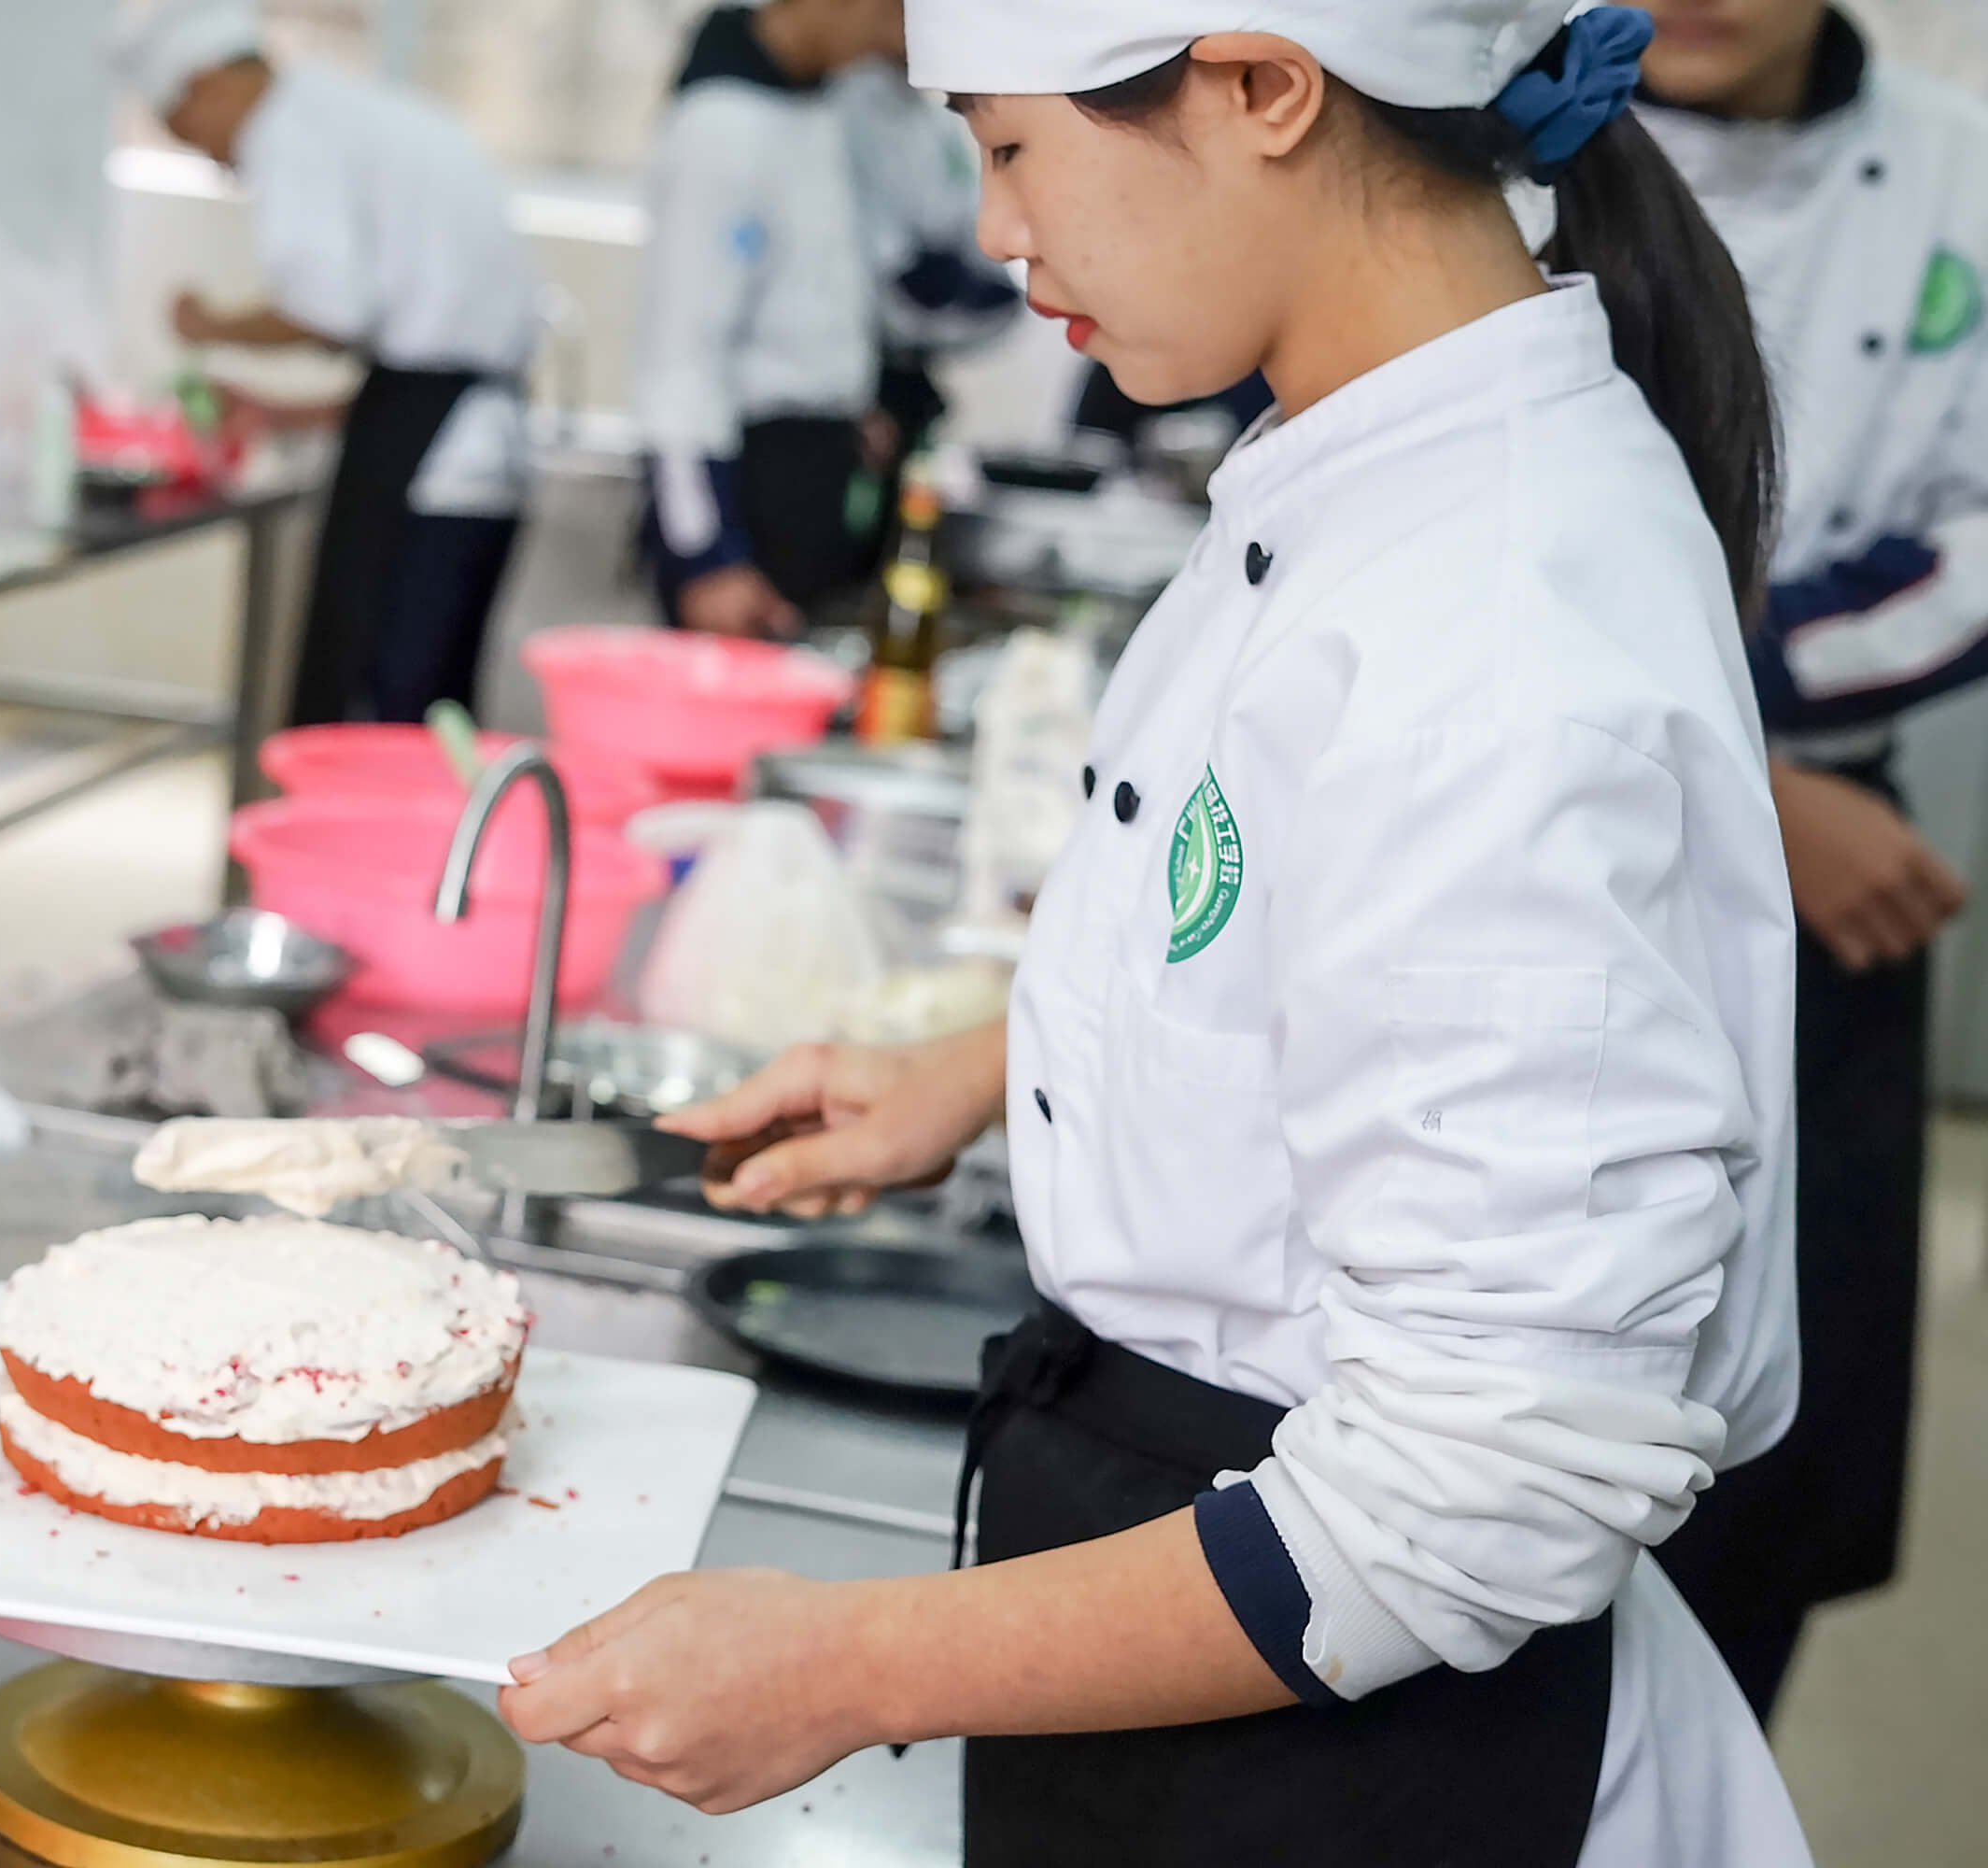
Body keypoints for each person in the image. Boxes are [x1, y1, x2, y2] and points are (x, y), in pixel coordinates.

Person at [497, 5, 1816, 1863]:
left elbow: (1484, 1481)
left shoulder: (1490, 626)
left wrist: (850, 1659)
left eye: (1015, 146)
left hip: (1354, 1744)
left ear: (1264, 85)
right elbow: (1298, 935)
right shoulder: (1352, 463)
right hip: (1210, 1639)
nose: (998, 229)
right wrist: (983, 1070)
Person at [1631, 0, 1988, 1726]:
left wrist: (1746, 728)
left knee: (1772, 1455)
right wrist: (1739, 778)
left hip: (1842, 830)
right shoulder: (1493, 129)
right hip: (1558, 813)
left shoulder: (1956, 170)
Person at [112, 0, 540, 727]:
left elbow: (332, 311)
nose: (213, 161)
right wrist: (283, 411)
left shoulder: (286, 128)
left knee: (374, 707)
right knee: (434, 710)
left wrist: (211, 325)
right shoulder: (357, 115)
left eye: (191, 133)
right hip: (475, 450)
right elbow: (415, 363)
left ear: (209, 82)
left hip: (433, 473)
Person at [636, 0, 906, 639]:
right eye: (889, 12)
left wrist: (843, 406)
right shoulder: (719, 127)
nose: (897, 36)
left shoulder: (818, 113)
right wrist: (707, 556)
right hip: (741, 490)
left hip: (818, 467)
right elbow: (679, 360)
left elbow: (801, 300)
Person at [827, 50, 1026, 526]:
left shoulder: (931, 119)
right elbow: (877, 282)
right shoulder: (839, 108)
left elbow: (974, 239)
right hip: (845, 393)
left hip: (904, 386)